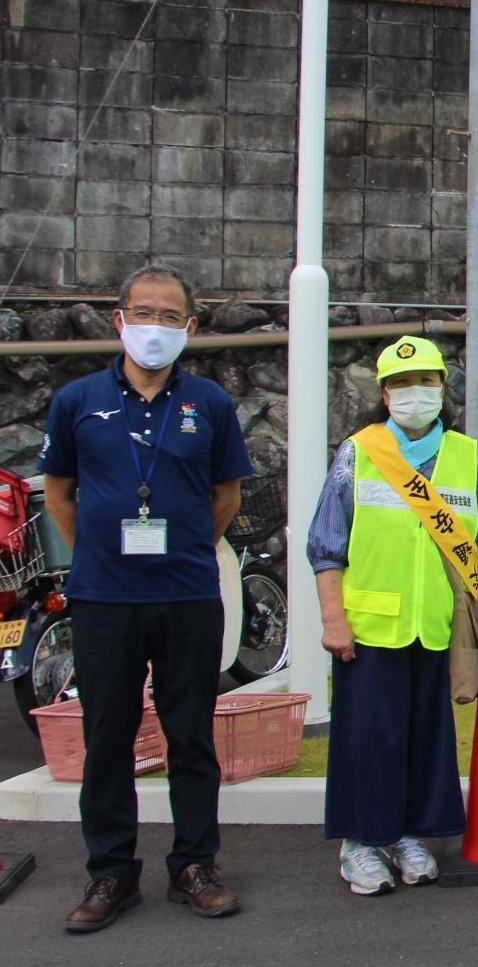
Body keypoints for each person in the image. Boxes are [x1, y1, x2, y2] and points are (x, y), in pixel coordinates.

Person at [40, 264, 252, 932]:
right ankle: (111, 871)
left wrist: (182, 547)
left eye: (169, 317)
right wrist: (103, 551)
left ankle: (195, 862)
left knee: (190, 732)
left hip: (188, 592)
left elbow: (225, 497)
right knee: (107, 735)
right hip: (104, 596)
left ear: (189, 326)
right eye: (143, 313)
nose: (153, 328)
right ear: (119, 319)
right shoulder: (77, 400)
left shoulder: (210, 405)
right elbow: (59, 495)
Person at [308, 335, 478, 895]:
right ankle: (362, 842)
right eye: (400, 383)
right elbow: (326, 544)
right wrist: (333, 621)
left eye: (425, 381)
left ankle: (410, 835)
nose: (413, 393)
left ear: (443, 389)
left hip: (434, 625)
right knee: (371, 738)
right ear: (384, 392)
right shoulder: (360, 452)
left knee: (425, 736)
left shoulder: (463, 456)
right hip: (370, 626)